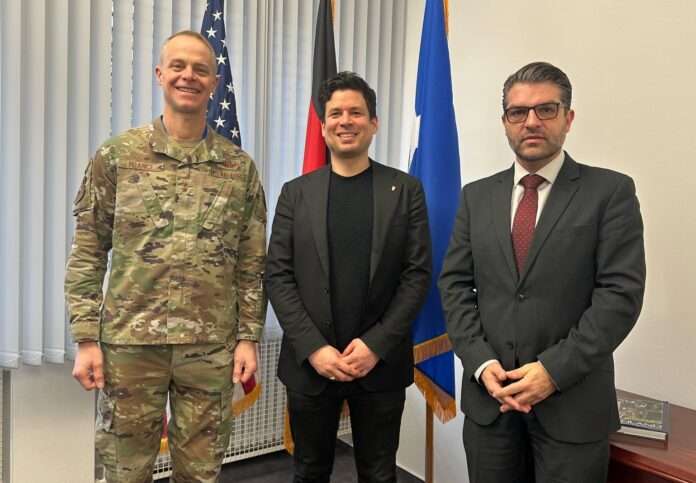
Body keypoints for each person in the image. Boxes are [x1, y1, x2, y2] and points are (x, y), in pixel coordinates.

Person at [65, 30, 267, 482]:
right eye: (178, 66)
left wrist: (248, 337)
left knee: (201, 473)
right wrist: (86, 338)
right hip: (131, 346)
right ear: (160, 74)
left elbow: (251, 263)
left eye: (200, 69)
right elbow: (88, 251)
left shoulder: (238, 168)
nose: (188, 76)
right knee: (125, 472)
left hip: (209, 347)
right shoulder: (117, 157)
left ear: (214, 82)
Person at [439, 61, 646, 482]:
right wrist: (480, 362)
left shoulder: (610, 192)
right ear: (505, 122)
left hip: (573, 406)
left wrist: (552, 371)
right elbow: (455, 286)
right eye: (518, 112)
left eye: (546, 109)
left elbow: (619, 296)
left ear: (568, 118)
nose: (531, 122)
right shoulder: (476, 196)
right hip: (491, 403)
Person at [265, 71, 431, 483]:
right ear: (323, 127)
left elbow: (416, 276)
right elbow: (278, 275)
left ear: (373, 123)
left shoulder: (405, 190)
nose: (345, 121)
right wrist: (314, 348)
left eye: (356, 112)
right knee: (309, 471)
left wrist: (375, 345)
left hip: (381, 363)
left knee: (379, 473)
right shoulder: (295, 193)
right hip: (311, 364)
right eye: (336, 113)